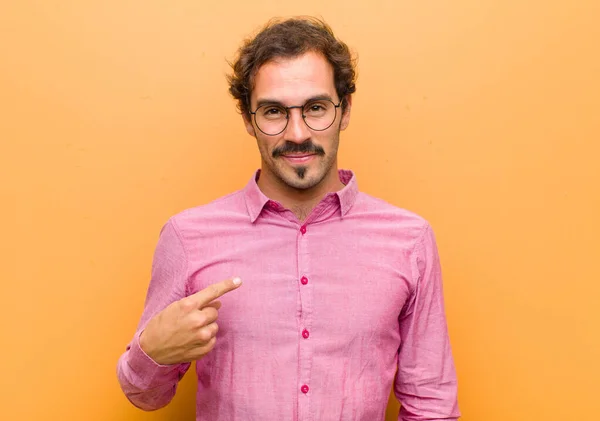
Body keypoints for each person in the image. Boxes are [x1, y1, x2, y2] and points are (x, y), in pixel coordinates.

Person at [117, 16, 460, 421]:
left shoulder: (410, 240)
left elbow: (431, 405)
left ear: (345, 109)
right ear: (248, 119)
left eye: (316, 108)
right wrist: (152, 353)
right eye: (274, 111)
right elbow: (146, 397)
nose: (297, 133)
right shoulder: (188, 237)